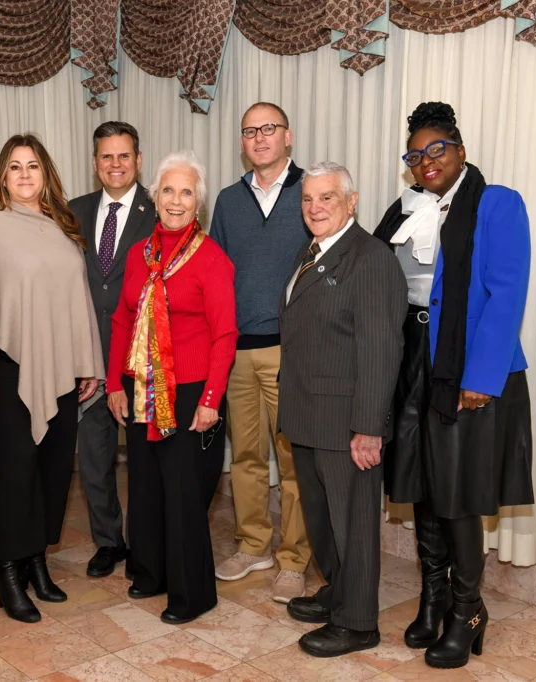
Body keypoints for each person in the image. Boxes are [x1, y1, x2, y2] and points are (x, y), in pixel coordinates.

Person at [374, 102, 534, 669]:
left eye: (435, 149)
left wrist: (480, 378)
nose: (425, 161)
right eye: (415, 155)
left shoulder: (496, 203)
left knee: (460, 490)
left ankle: (468, 609)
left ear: (460, 149)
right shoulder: (403, 210)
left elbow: (506, 294)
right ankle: (434, 594)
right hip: (414, 358)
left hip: (466, 364)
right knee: (422, 480)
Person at [0, 134, 104, 623]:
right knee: (11, 472)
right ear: (2, 175)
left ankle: (36, 561)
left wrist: (87, 362)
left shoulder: (60, 226)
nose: (24, 174)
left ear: (46, 175)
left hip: (62, 365)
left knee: (52, 467)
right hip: (9, 366)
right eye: (15, 167)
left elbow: (77, 298)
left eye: (33, 166)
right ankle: (6, 568)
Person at [277, 162, 407, 657]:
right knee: (323, 519)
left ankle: (357, 622)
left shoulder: (370, 258)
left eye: (327, 198)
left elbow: (381, 349)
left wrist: (368, 428)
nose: (315, 208)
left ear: (351, 202)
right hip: (308, 413)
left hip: (347, 421)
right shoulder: (311, 251)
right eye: (308, 199)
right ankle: (339, 591)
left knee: (351, 523)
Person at [106, 150, 237, 625]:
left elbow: (226, 336)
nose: (176, 200)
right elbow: (122, 319)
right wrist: (113, 384)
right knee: (145, 486)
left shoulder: (211, 259)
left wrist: (209, 401)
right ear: (153, 196)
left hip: (189, 391)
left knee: (182, 494)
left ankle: (192, 594)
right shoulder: (141, 253)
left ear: (197, 202)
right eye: (168, 190)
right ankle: (151, 571)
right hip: (141, 386)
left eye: (186, 192)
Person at [210, 103, 313, 603]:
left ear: (287, 136)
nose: (259, 138)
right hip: (238, 351)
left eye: (268, 129)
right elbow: (215, 274)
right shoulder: (229, 201)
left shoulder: (310, 191)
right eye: (250, 131)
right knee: (246, 456)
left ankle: (294, 560)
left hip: (291, 349)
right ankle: (254, 544)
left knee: (293, 459)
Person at [68, 121, 156, 578]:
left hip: (143, 359)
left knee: (143, 459)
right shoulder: (73, 212)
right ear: (96, 162)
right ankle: (108, 541)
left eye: (124, 156)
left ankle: (145, 542)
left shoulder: (161, 210)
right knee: (95, 457)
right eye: (107, 157)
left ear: (138, 160)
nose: (115, 165)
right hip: (87, 357)